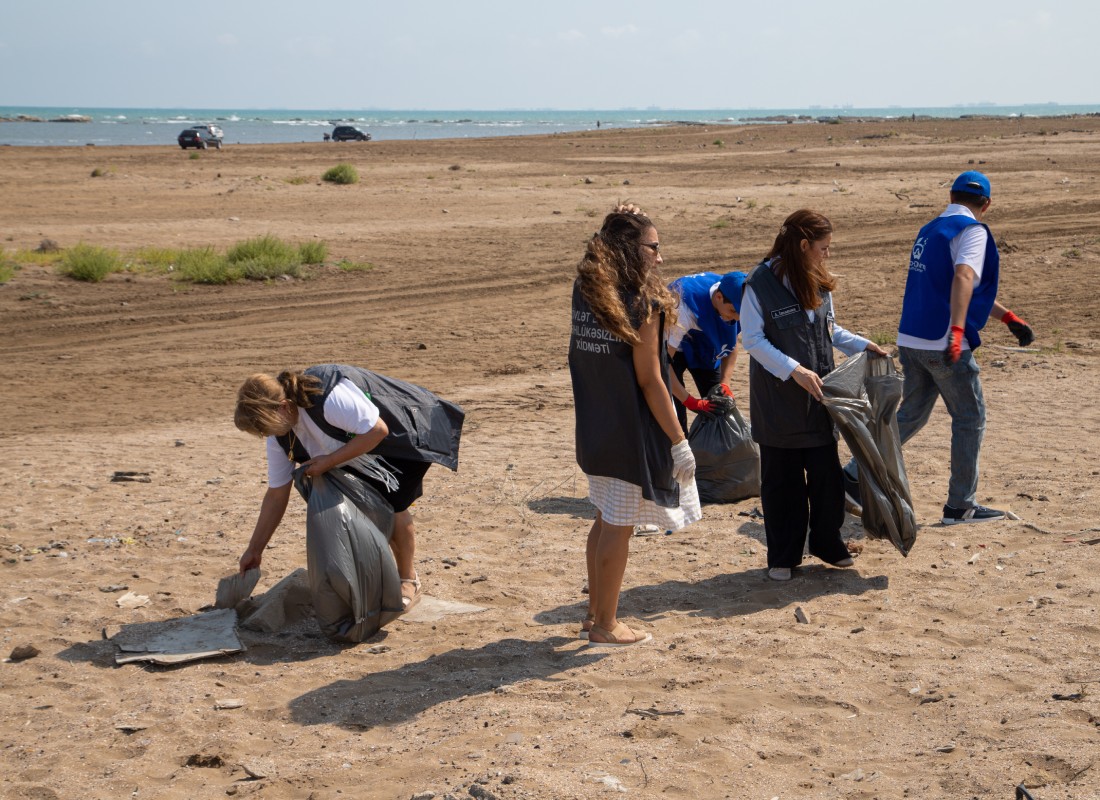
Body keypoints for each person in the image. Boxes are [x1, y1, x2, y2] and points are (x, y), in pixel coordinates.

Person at [844, 171, 1033, 525]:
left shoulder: (931, 229)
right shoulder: (972, 231)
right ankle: (960, 506)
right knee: (970, 417)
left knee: (911, 414)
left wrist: (1008, 318)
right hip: (944, 342)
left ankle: (852, 476)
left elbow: (949, 285)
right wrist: (958, 331)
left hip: (912, 338)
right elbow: (963, 277)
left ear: (951, 196)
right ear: (987, 204)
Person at [569, 204, 701, 646]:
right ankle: (606, 625)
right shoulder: (643, 302)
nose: (660, 257)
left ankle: (593, 615)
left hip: (594, 424)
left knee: (604, 518)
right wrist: (679, 439)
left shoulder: (587, 288)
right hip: (628, 431)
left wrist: (615, 220)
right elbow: (651, 380)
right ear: (629, 249)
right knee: (618, 526)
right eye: (653, 247)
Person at [234, 365, 463, 611]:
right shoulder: (279, 435)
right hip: (357, 447)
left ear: (283, 407)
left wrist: (329, 461)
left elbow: (377, 430)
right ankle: (377, 581)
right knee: (363, 510)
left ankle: (408, 579)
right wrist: (254, 549)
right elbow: (277, 495)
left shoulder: (327, 397)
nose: (265, 435)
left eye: (263, 427)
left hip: (403, 434)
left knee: (392, 504)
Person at [741, 210, 889, 581]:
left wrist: (864, 345)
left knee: (827, 479)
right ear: (803, 245)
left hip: (820, 399)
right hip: (778, 404)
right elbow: (752, 340)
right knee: (783, 484)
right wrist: (795, 369)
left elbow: (830, 330)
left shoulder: (819, 279)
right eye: (823, 248)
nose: (827, 254)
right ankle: (783, 557)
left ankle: (828, 544)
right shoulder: (759, 283)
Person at [666, 270, 747, 433]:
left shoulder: (736, 301)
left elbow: (730, 344)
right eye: (733, 311)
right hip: (674, 345)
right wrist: (690, 401)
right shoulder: (681, 307)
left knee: (719, 404)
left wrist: (725, 382)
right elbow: (662, 364)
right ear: (719, 297)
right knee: (675, 410)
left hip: (705, 342)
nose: (737, 318)